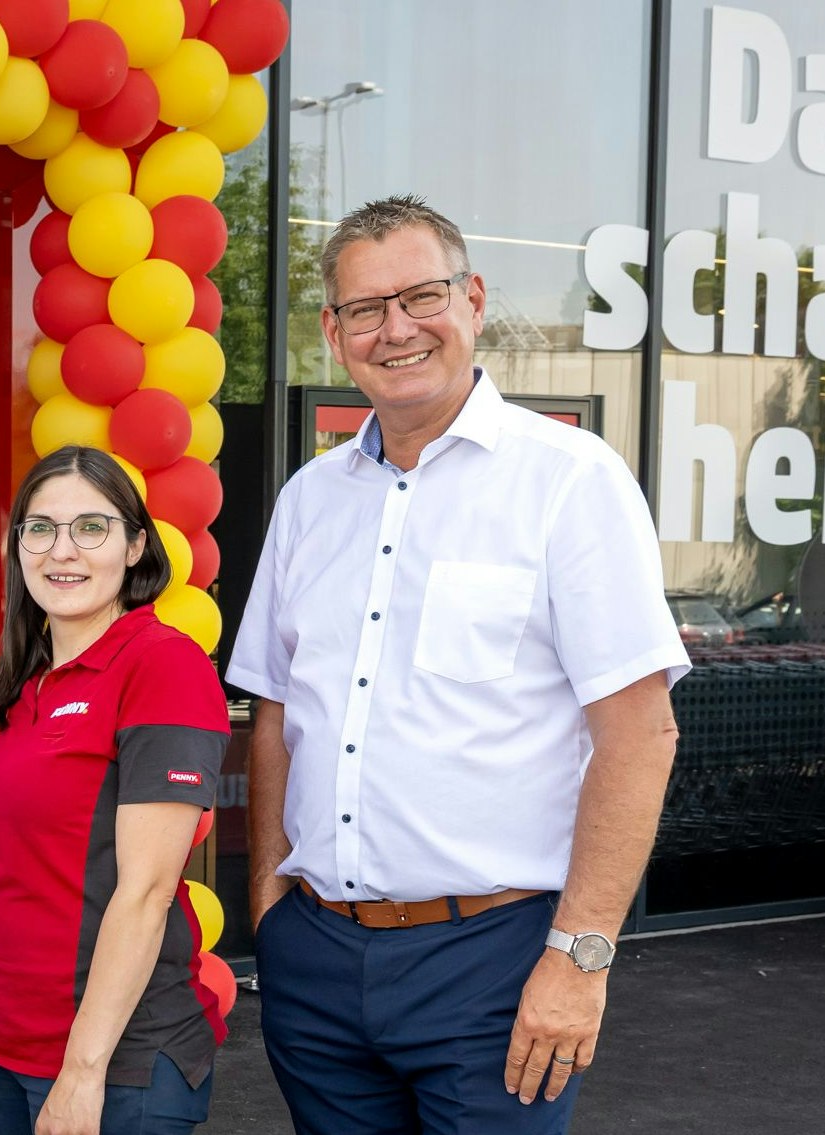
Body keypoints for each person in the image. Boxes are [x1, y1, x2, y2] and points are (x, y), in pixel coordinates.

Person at [228, 195, 688, 1135]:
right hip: (316, 959)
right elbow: (276, 713)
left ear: (472, 300)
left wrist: (580, 956)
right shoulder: (308, 499)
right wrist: (270, 906)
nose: (396, 329)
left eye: (421, 296)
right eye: (365, 308)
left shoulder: (569, 479)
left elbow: (639, 733)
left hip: (494, 958)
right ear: (333, 333)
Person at [0, 447, 228, 1135]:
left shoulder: (162, 664)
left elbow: (146, 892)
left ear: (135, 546)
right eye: (41, 528)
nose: (63, 550)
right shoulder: (24, 688)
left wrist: (82, 1073)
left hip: (115, 1066)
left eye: (91, 527)